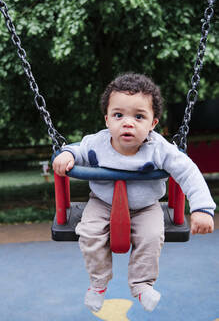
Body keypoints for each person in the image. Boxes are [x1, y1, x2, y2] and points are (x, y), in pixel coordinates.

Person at [53, 73, 215, 313]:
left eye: (139, 116)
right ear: (107, 120)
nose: (128, 122)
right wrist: (66, 155)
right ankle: (98, 284)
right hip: (102, 202)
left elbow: (187, 171)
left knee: (151, 237)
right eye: (119, 115)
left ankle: (142, 285)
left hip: (145, 206)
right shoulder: (97, 142)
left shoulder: (159, 147)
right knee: (88, 234)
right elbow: (76, 151)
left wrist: (202, 208)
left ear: (153, 123)